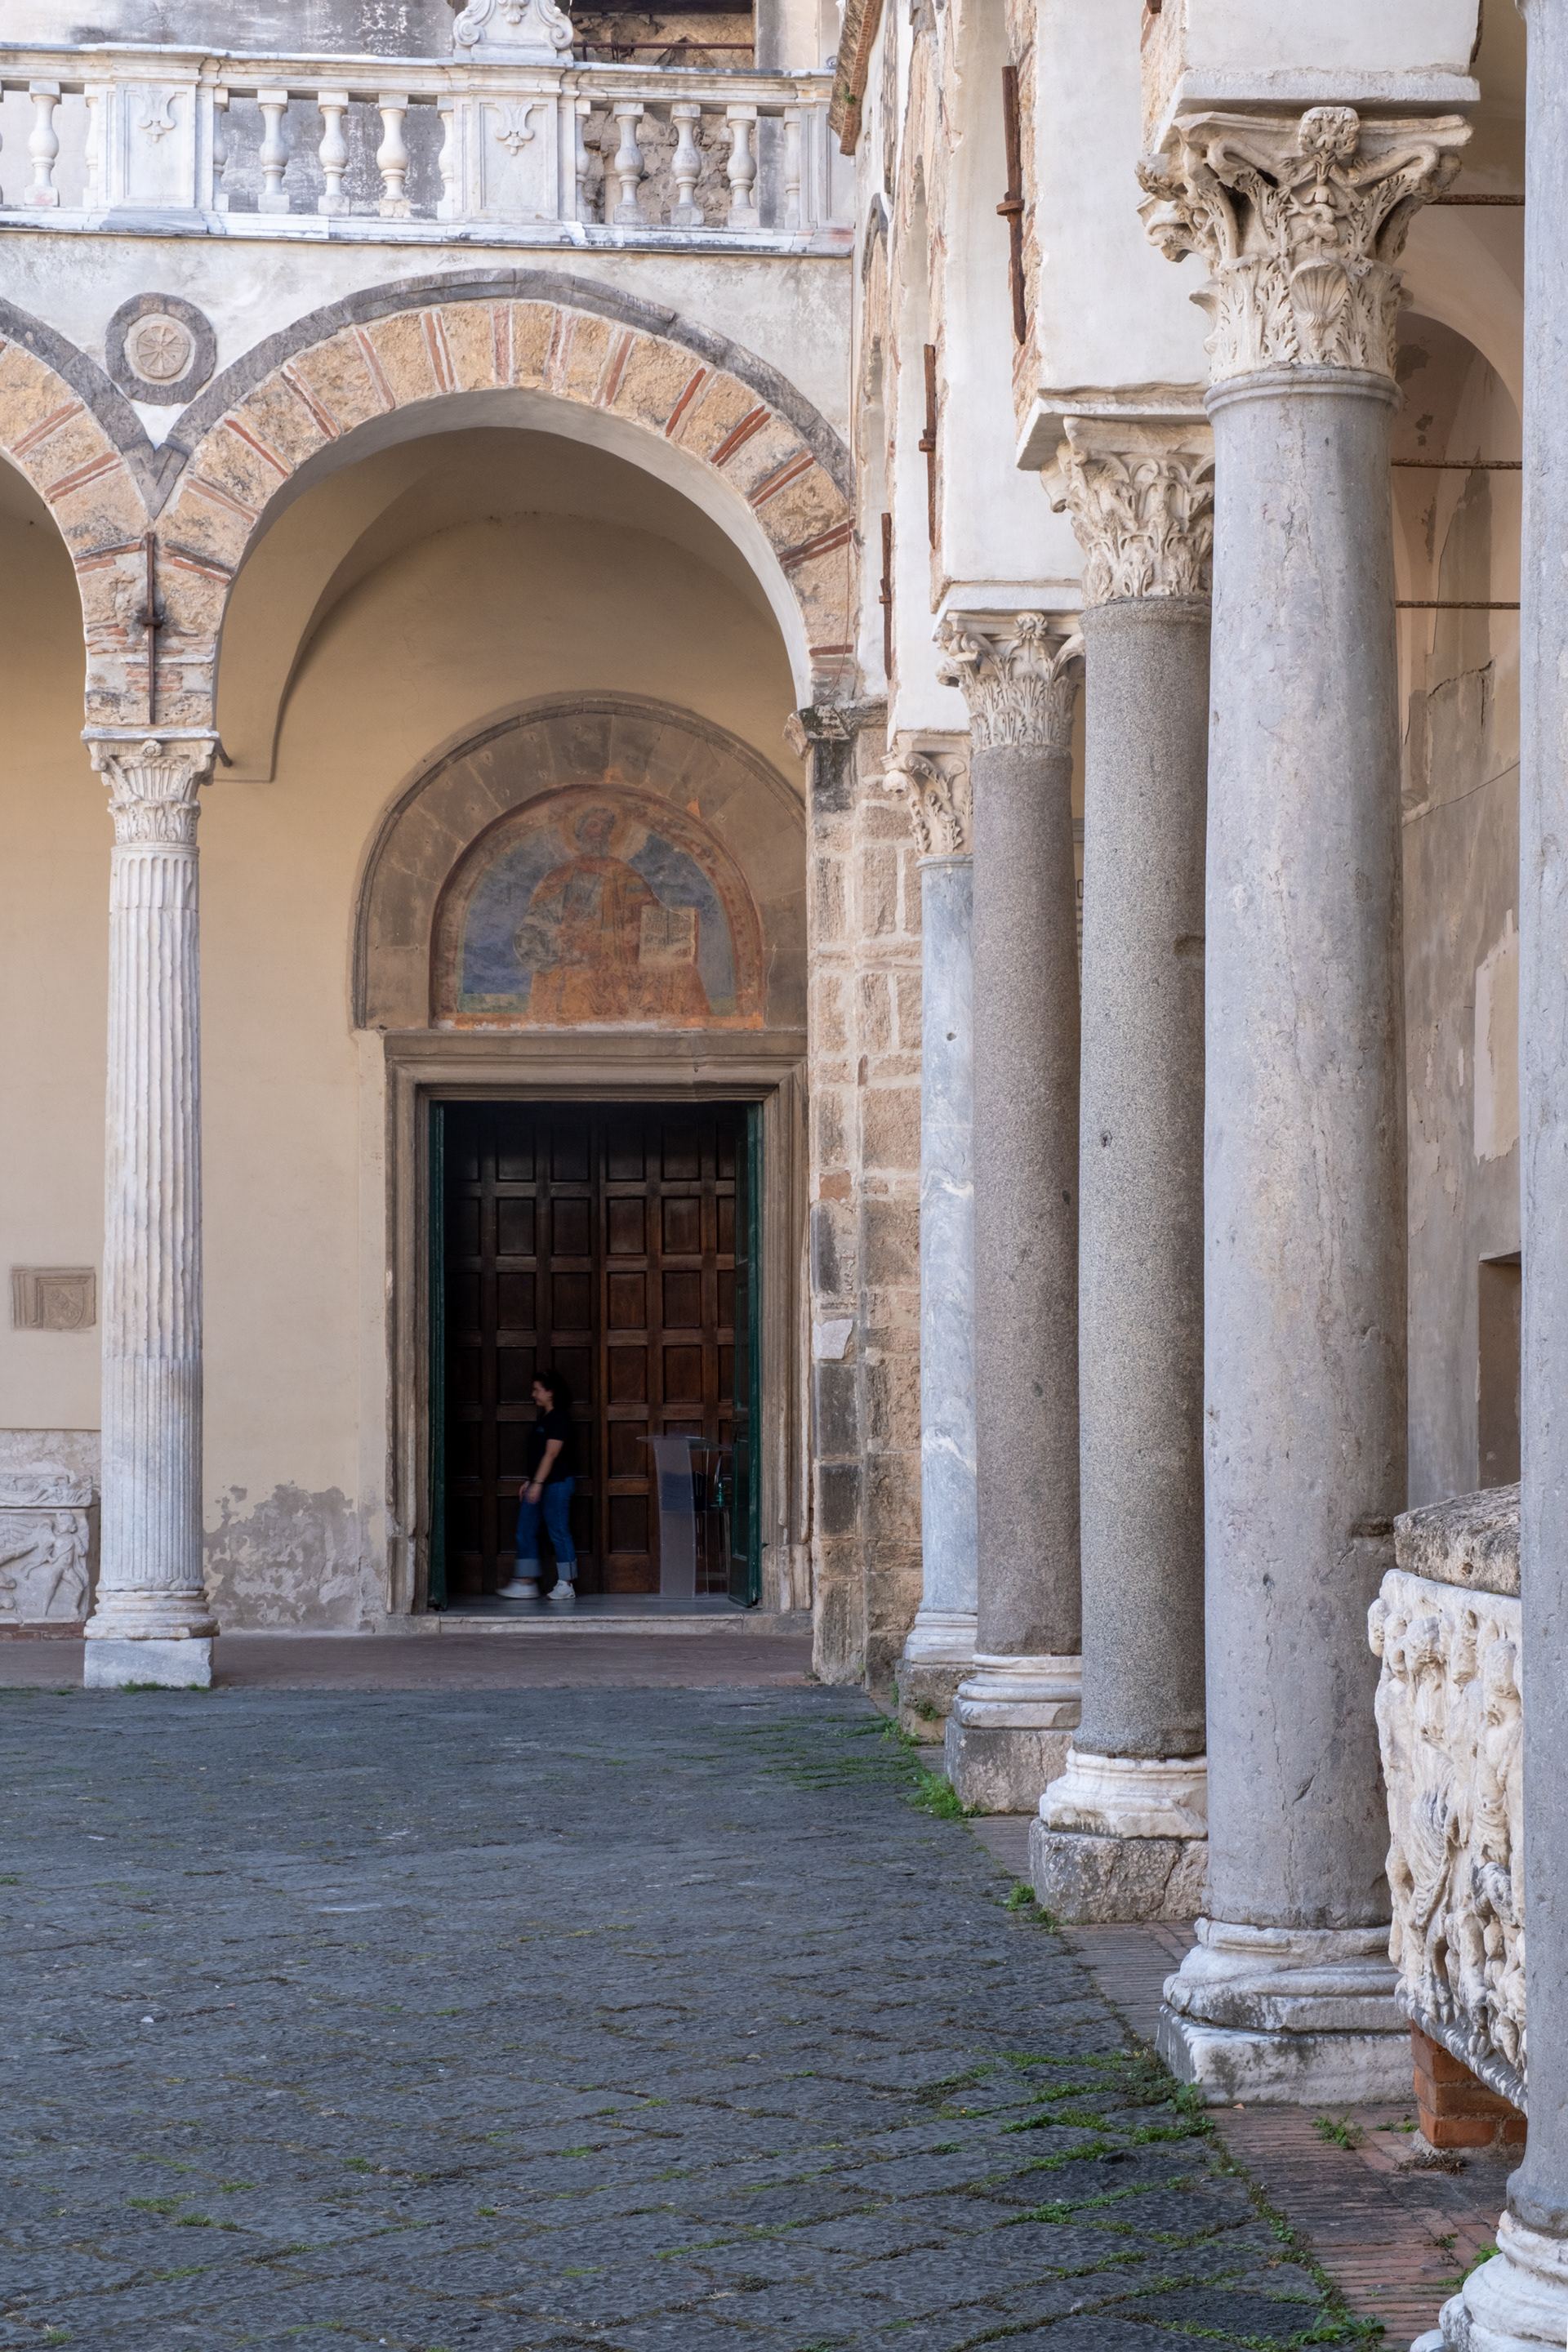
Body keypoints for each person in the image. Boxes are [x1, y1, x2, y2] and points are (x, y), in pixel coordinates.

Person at [497, 1371, 578, 1601]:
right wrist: (530, 1481)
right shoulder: (544, 1420)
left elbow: (552, 1454)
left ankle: (566, 1583)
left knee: (559, 1532)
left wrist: (538, 1483)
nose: (533, 1394)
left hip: (556, 1485)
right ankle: (526, 1582)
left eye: (537, 1390)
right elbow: (538, 1455)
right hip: (539, 1485)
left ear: (550, 1392)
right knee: (525, 1531)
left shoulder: (560, 1418)